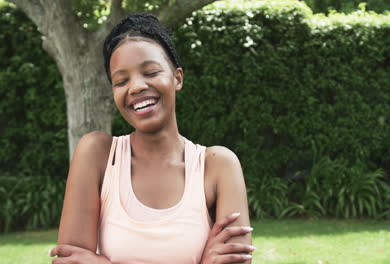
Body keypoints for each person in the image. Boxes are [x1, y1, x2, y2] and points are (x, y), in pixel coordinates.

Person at [49, 13, 253, 264]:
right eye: (121, 81)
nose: (135, 87)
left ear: (177, 78)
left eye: (151, 72)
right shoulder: (98, 155)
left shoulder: (217, 166)